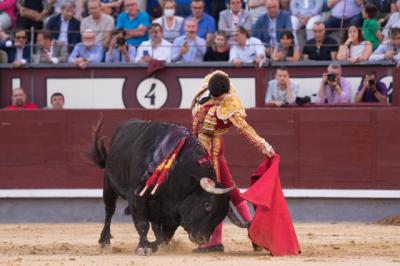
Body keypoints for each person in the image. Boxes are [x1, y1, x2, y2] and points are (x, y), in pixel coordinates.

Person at [191, 70, 275, 252]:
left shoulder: (227, 102)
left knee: (216, 193)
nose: (221, 101)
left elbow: (244, 128)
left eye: (222, 99)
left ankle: (214, 241)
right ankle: (254, 235)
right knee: (230, 190)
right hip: (204, 150)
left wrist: (263, 145)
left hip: (213, 150)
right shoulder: (207, 93)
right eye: (218, 98)